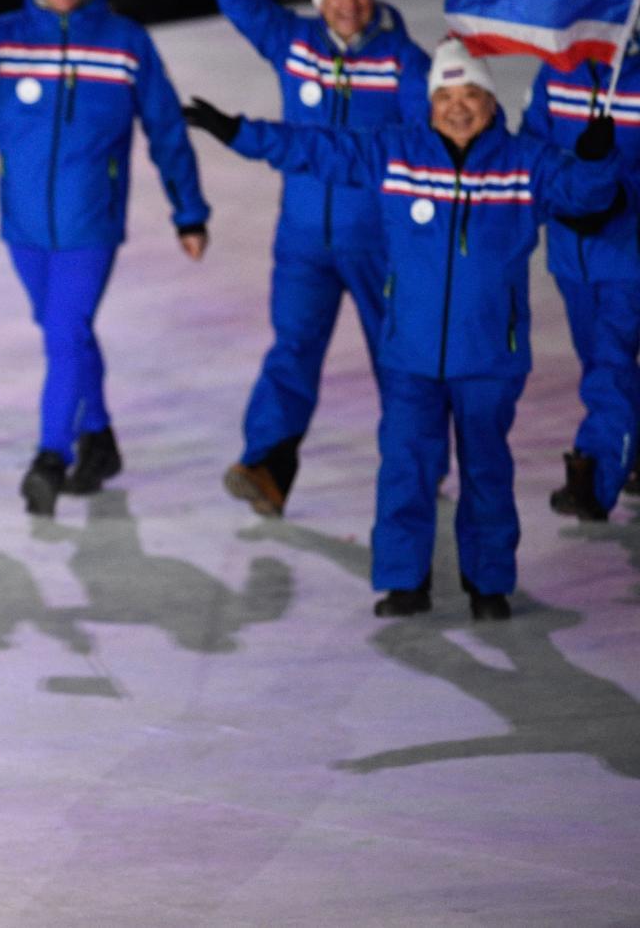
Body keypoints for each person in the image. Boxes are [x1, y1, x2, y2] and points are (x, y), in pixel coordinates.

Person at [185, 40, 621, 620]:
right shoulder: (397, 152)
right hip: (411, 354)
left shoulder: (525, 162)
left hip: (490, 354)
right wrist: (237, 130)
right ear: (429, 102)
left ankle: (488, 584)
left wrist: (597, 160)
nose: (458, 107)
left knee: (487, 468)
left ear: (491, 101)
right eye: (446, 95)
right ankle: (403, 579)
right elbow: (314, 147)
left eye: (471, 95)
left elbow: (588, 196)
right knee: (406, 464)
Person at [0, 0, 210, 516]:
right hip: (23, 225)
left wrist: (189, 209)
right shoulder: (2, 37)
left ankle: (51, 454)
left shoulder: (124, 42)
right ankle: (99, 437)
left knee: (65, 334)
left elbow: (165, 129)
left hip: (90, 224)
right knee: (66, 334)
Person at [217, 0, 431, 518]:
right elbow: (239, 0)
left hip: (381, 243)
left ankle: (417, 463)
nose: (348, 4)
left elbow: (424, 143)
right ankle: (268, 465)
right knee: (292, 350)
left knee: (398, 361)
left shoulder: (403, 60)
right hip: (304, 241)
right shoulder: (296, 43)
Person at [518, 0, 640, 520]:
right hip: (571, 254)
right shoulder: (559, 72)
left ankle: (595, 477)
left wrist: (618, 196)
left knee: (611, 370)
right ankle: (631, 449)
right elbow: (534, 147)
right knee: (600, 364)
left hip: (628, 253)